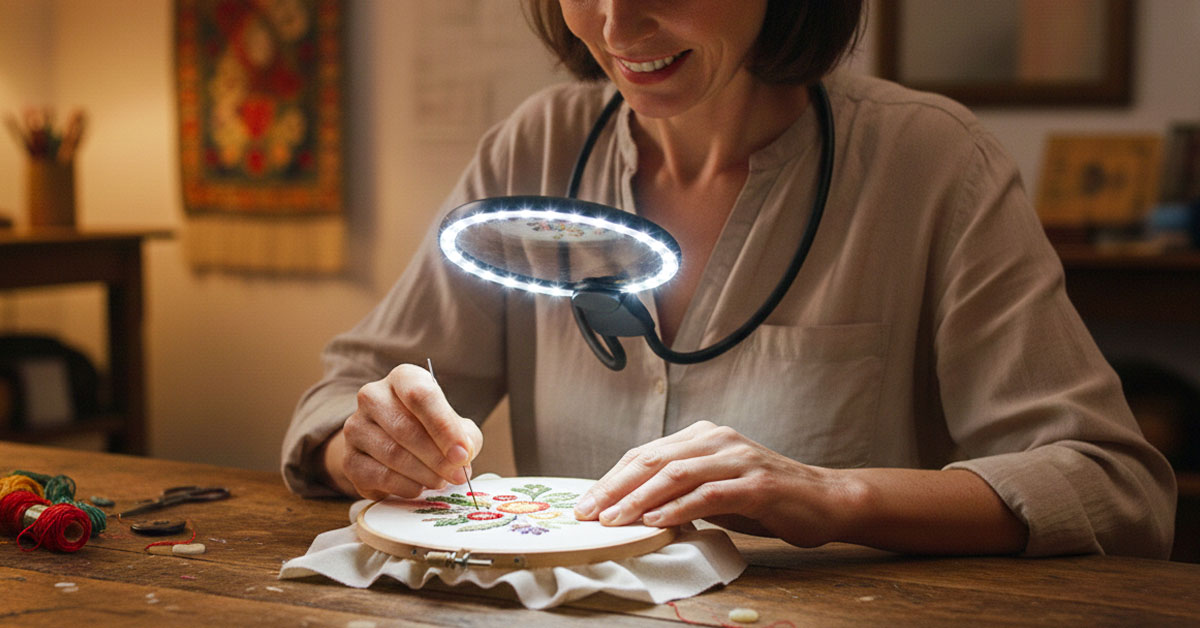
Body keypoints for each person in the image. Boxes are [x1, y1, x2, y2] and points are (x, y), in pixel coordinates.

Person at [283, 0, 1176, 558]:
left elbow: (1113, 489)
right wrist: (361, 442)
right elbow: (342, 397)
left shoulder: (933, 163)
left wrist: (835, 496)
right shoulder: (537, 147)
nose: (614, 25)